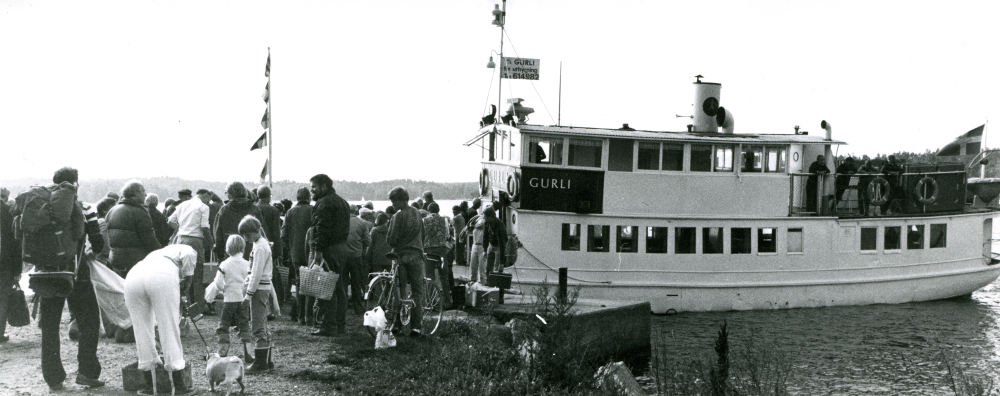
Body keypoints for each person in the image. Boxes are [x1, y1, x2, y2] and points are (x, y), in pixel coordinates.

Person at [31, 168, 106, 390]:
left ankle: (53, 378)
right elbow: (99, 243)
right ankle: (87, 372)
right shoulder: (84, 208)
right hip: (75, 272)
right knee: (89, 321)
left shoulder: (41, 209)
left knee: (50, 326)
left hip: (45, 273)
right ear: (75, 184)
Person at [124, 244, 198, 395]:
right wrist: (188, 279)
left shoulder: (159, 252)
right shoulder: (186, 248)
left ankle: (149, 386)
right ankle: (179, 386)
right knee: (169, 327)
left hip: (133, 275)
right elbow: (189, 255)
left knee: (142, 330)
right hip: (161, 275)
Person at [308, 174, 351, 337]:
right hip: (341, 248)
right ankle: (340, 325)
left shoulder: (324, 203)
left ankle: (329, 326)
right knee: (339, 288)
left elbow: (321, 229)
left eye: (314, 187)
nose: (311, 190)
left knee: (327, 289)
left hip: (328, 249)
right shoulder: (342, 202)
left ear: (324, 186)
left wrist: (318, 252)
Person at [168, 188, 215, 314]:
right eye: (208, 199)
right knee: (198, 276)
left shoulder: (182, 204)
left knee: (183, 274)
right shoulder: (203, 207)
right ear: (206, 196)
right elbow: (205, 227)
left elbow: (170, 221)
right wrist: (211, 243)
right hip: (195, 240)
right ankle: (199, 308)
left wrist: (181, 230)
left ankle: (185, 308)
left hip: (180, 239)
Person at [386, 186, 425, 336]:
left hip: (401, 256)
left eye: (394, 200)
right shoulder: (417, 212)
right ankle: (416, 327)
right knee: (417, 293)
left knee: (399, 291)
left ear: (401, 200)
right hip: (416, 255)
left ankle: (397, 325)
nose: (393, 204)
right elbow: (423, 235)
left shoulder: (397, 216)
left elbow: (392, 240)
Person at [205, 235, 252, 358]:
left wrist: (224, 289)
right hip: (242, 299)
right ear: (243, 247)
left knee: (224, 325)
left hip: (229, 299)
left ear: (228, 248)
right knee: (244, 325)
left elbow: (218, 283)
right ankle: (249, 352)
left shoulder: (224, 264)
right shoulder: (248, 264)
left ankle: (222, 351)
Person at [240, 215, 275, 373]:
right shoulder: (260, 244)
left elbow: (256, 273)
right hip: (261, 288)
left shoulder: (260, 247)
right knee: (262, 325)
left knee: (258, 327)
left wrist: (248, 295)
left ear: (254, 231)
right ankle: (267, 361)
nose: (245, 238)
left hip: (259, 290)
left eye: (246, 235)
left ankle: (260, 364)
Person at [106, 180, 161, 277]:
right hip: (135, 262)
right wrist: (161, 254)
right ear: (136, 193)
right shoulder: (140, 212)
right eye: (143, 191)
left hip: (115, 260)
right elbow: (149, 240)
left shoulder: (112, 210)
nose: (146, 194)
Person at [282, 187, 313, 325]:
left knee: (299, 284)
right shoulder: (313, 210)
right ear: (309, 197)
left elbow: (283, 234)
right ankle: (309, 316)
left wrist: (290, 246)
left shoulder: (290, 212)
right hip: (312, 251)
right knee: (311, 283)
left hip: (295, 252)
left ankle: (301, 316)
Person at [213, 182, 263, 262]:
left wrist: (220, 256)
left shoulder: (224, 210)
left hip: (231, 253)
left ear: (230, 194)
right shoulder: (255, 209)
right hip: (252, 252)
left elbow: (218, 235)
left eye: (226, 193)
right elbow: (261, 232)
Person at [254, 186, 284, 312]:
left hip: (255, 245)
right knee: (271, 277)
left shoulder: (254, 208)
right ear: (269, 196)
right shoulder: (273, 210)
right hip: (269, 246)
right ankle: (273, 306)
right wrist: (279, 251)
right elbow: (276, 233)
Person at [339, 206, 371, 315]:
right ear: (357, 211)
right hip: (356, 256)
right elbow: (368, 241)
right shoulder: (361, 223)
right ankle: (358, 307)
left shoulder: (340, 221)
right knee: (356, 282)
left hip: (342, 255)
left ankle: (342, 306)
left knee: (342, 282)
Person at [422, 202, 454, 308]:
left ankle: (430, 302)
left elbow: (422, 235)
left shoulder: (424, 220)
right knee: (444, 276)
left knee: (429, 277)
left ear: (428, 211)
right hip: (441, 251)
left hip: (428, 250)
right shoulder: (444, 220)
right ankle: (447, 302)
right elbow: (447, 235)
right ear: (438, 210)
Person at [0, 188, 20, 343]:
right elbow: (15, 243)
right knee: (2, 298)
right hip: (4, 262)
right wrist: (17, 270)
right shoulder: (7, 212)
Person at [482, 206, 507, 274]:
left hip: (499, 246)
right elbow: (485, 236)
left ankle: (496, 282)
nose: (484, 218)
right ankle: (488, 282)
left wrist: (502, 262)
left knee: (497, 268)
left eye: (485, 216)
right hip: (491, 244)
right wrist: (484, 249)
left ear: (490, 217)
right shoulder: (486, 223)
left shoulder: (500, 225)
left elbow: (502, 244)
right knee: (488, 267)